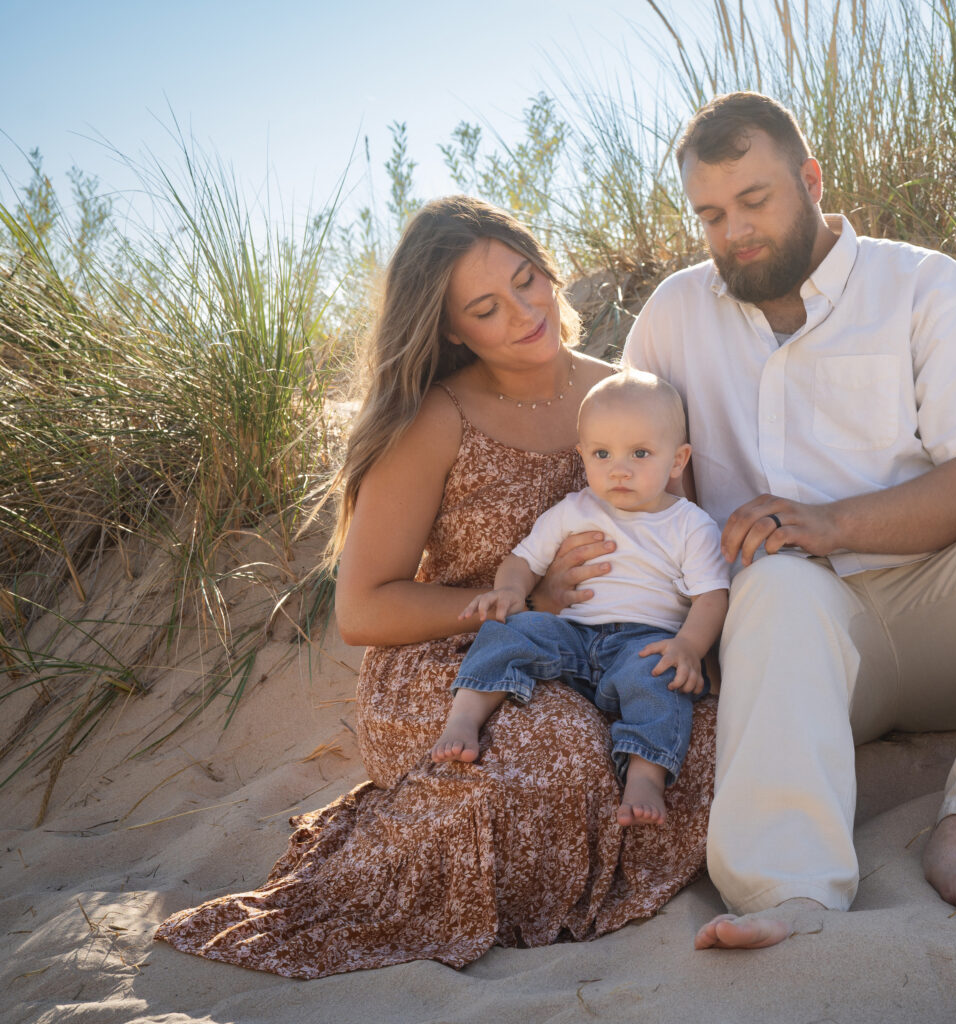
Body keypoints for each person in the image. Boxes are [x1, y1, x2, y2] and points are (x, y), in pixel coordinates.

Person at [621, 92, 956, 950]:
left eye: (755, 201)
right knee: (773, 585)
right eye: (711, 215)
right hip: (797, 648)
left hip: (946, 608)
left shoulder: (924, 286)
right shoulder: (673, 317)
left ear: (812, 179)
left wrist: (831, 523)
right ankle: (790, 893)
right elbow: (632, 476)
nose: (735, 233)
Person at [155, 196, 716, 978]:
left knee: (701, 736)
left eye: (529, 281)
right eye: (488, 308)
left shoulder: (625, 398)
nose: (526, 313)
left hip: (615, 651)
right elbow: (362, 608)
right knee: (559, 753)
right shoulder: (436, 417)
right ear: (453, 328)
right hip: (460, 662)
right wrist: (529, 600)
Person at [431, 370, 729, 827]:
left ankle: (645, 776)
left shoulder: (690, 525)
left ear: (678, 459)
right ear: (582, 456)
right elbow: (522, 560)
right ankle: (464, 718)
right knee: (508, 631)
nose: (619, 468)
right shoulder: (574, 509)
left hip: (642, 643)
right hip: (570, 633)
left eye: (641, 453)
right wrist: (510, 591)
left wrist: (688, 647)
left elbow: (711, 597)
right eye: (602, 453)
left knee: (661, 683)